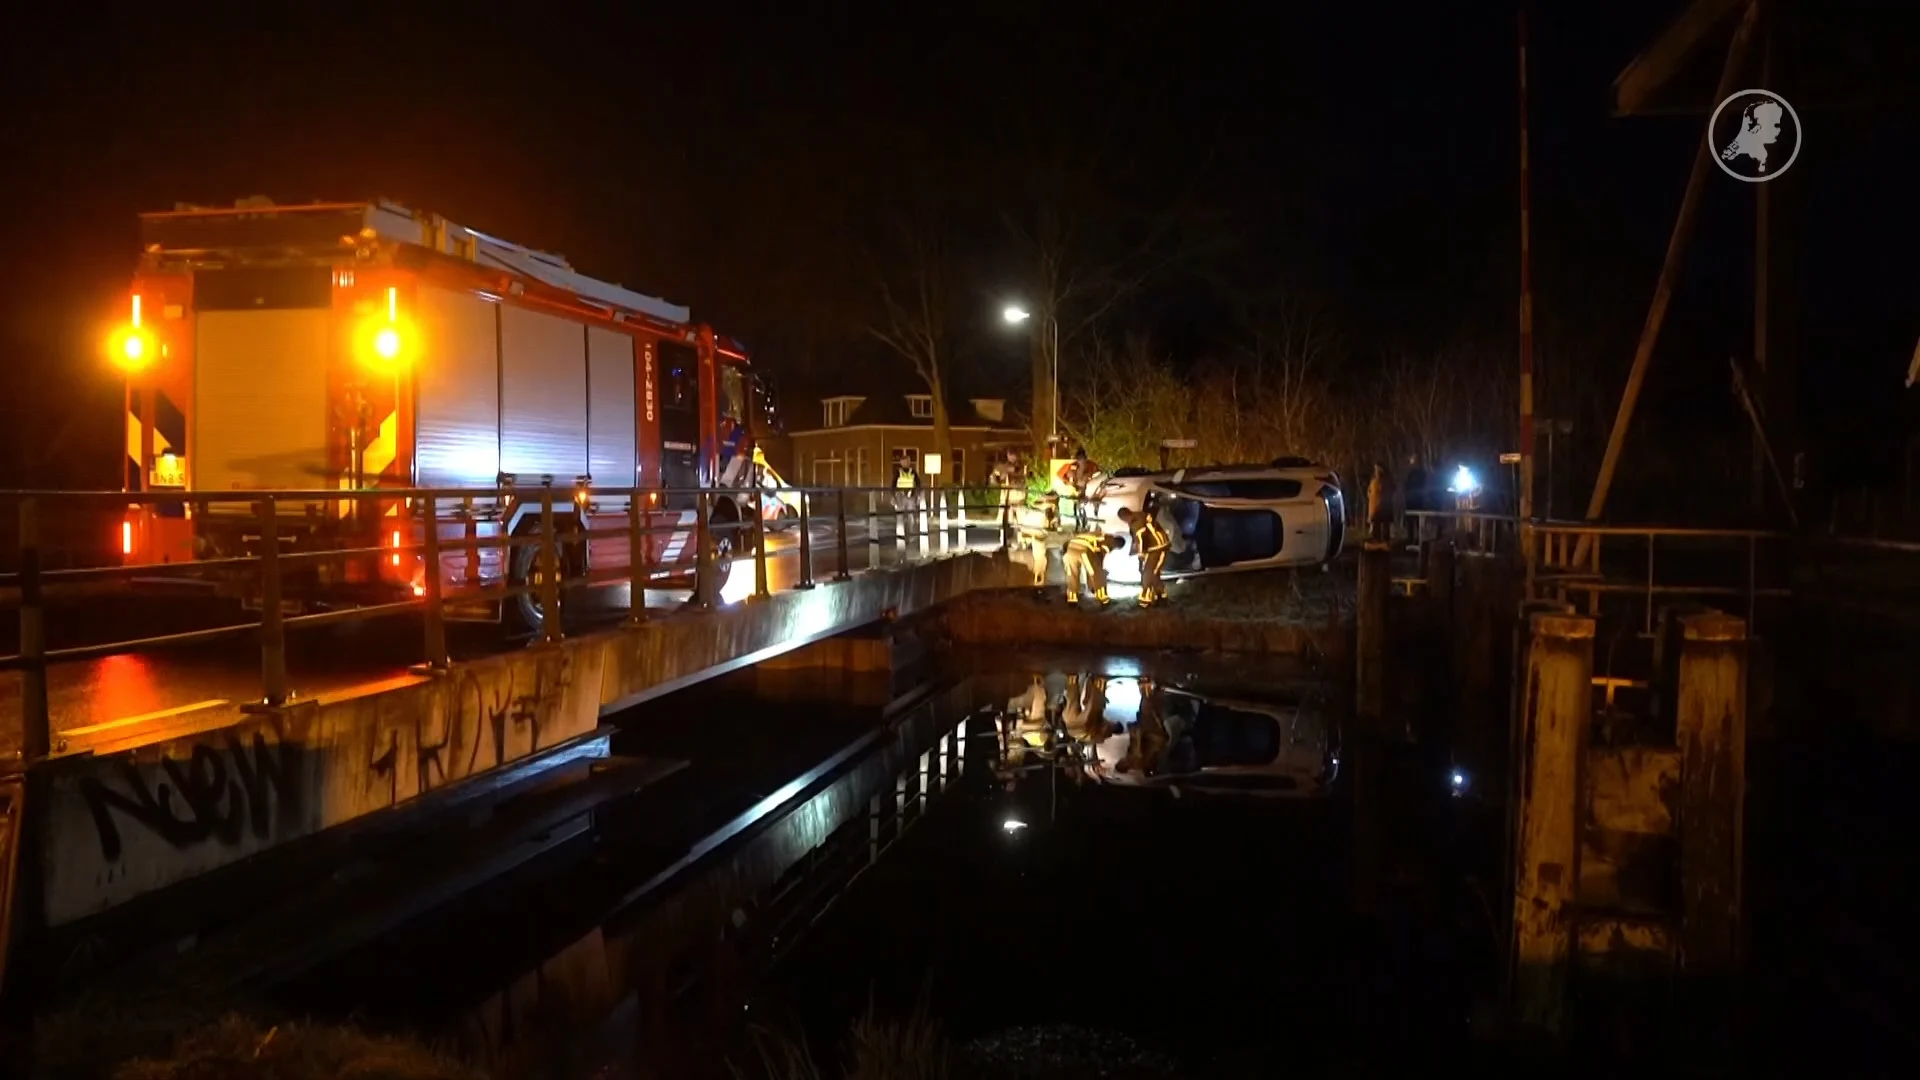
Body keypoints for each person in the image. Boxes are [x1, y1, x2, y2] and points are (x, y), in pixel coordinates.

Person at [1117, 505, 1170, 608]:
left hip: (1158, 547)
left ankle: (1145, 601)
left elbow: (1140, 540)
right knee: (1154, 572)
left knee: (1148, 573)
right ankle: (1161, 596)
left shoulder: (1135, 522)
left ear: (1124, 517)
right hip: (1156, 546)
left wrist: (1140, 556)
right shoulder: (1140, 515)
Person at [1011, 493, 1058, 595]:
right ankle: (1038, 579)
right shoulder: (1043, 508)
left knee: (1039, 556)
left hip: (1031, 530)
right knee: (1039, 556)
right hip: (1036, 532)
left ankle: (1038, 579)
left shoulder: (1024, 508)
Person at [1061, 528, 1122, 606]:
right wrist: (1102, 572)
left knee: (1072, 573)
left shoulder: (1097, 534)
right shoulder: (1108, 541)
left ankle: (1072, 599)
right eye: (1116, 548)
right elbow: (1098, 562)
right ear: (1116, 543)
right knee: (1096, 574)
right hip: (1084, 550)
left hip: (1071, 548)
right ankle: (1103, 599)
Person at [1402, 454, 1430, 543]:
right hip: (1411, 501)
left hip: (1417, 501)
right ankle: (1411, 540)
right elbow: (1406, 486)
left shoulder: (1421, 473)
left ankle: (1419, 540)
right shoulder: (1410, 473)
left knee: (1418, 523)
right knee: (1411, 523)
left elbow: (1423, 486)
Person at [1366, 463, 1393, 543]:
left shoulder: (1385, 481)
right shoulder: (1374, 481)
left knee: (1385, 525)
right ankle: (1377, 541)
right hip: (1375, 507)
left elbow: (1391, 490)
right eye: (1375, 470)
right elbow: (1369, 493)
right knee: (1376, 525)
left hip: (1383, 506)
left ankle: (1385, 541)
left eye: (1377, 470)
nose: (1376, 471)